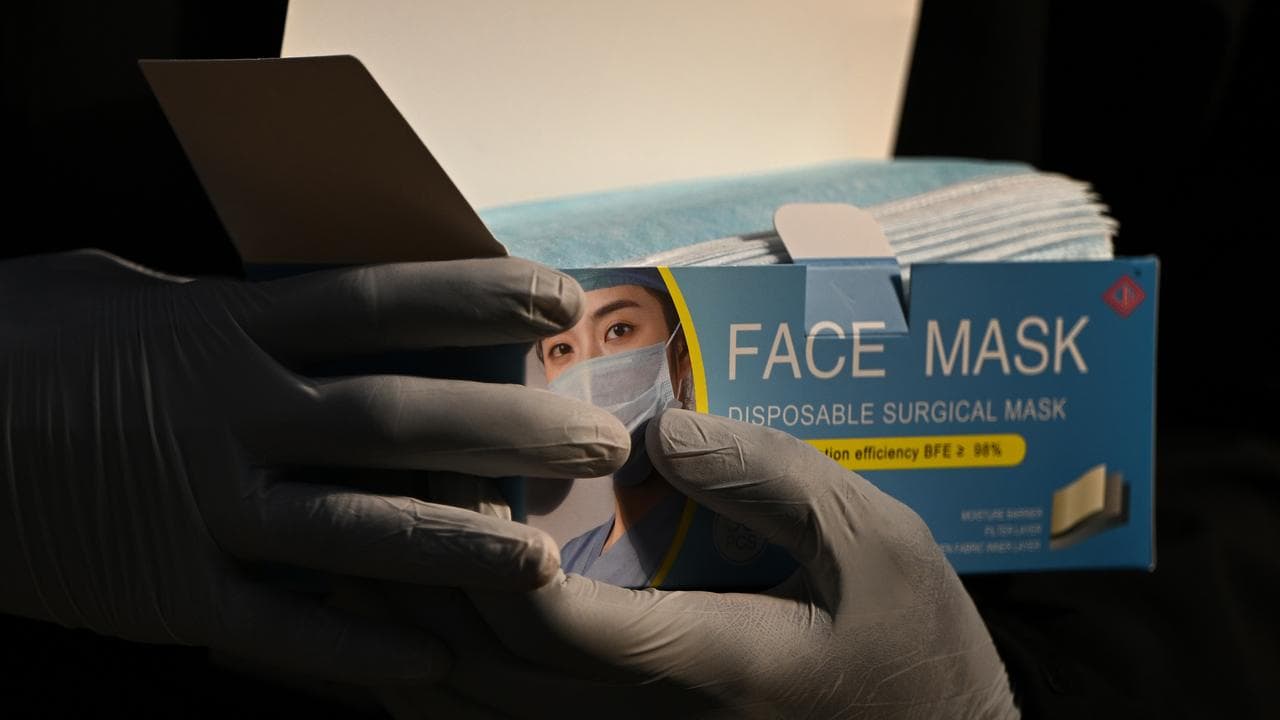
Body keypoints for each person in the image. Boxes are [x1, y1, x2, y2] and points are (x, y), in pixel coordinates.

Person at [535, 268, 793, 589]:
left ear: (682, 350)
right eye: (561, 348)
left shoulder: (748, 545)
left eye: (618, 330)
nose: (588, 373)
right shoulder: (569, 560)